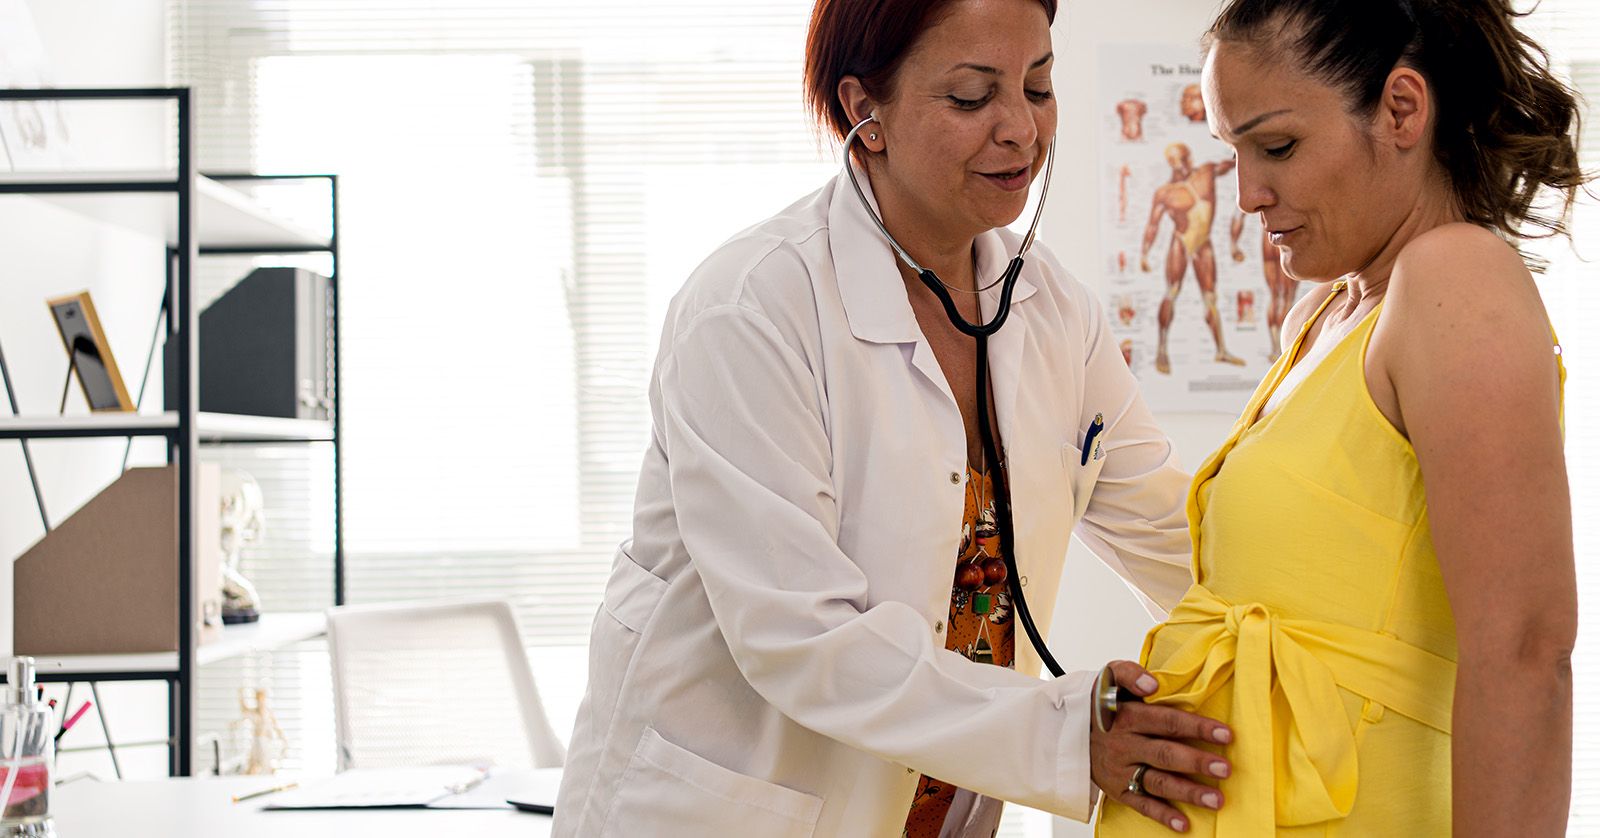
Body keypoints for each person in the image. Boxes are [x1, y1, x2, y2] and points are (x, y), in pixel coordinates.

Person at [553, 1, 1236, 835]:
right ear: (862, 111)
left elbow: (1179, 533)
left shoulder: (1053, 310)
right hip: (732, 807)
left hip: (933, 812)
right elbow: (802, 637)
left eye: (1038, 84)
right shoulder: (751, 311)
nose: (1020, 128)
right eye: (971, 97)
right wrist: (1069, 737)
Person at [1096, 0, 1580, 835]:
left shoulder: (1455, 280)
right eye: (1232, 152)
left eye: (1277, 147)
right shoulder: (1323, 318)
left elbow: (1527, 651)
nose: (1246, 194)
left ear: (1400, 109)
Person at [1140, 142, 1247, 373]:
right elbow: (1152, 225)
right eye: (1181, 161)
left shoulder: (1206, 172)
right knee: (1172, 292)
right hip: (1181, 241)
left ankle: (1220, 350)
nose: (1187, 163)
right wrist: (1144, 254)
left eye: (1187, 158)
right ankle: (1161, 349)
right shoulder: (1165, 193)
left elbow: (1231, 164)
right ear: (1173, 165)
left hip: (1203, 244)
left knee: (1211, 298)